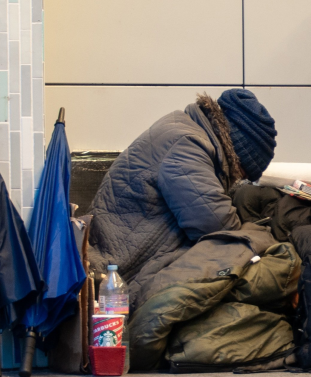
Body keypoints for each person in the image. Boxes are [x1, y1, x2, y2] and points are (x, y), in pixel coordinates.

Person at [87, 89, 277, 308]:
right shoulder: (188, 146)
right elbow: (220, 229)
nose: (237, 180)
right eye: (243, 173)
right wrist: (267, 238)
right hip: (115, 282)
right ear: (238, 155)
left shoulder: (186, 130)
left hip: (120, 272)